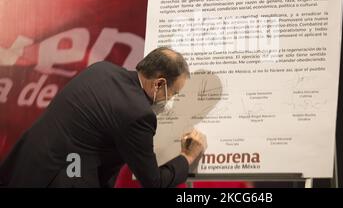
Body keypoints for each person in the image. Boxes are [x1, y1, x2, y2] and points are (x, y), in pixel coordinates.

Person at [0, 47, 207, 187]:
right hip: (59, 179)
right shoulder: (138, 114)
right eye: (175, 93)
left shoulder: (102, 70)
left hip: (26, 165)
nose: (172, 100)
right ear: (159, 84)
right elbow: (153, 181)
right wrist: (187, 157)